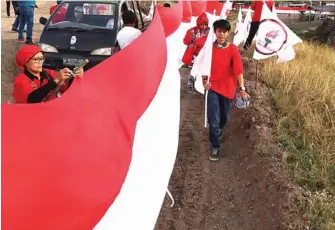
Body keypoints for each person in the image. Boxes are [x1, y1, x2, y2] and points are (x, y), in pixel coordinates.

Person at [202, 19, 249, 162]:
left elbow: (238, 71)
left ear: (228, 33)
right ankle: (215, 146)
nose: (221, 34)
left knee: (224, 118)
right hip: (213, 88)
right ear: (215, 32)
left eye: (224, 31)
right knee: (213, 120)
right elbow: (203, 66)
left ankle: (218, 131)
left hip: (228, 90)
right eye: (219, 31)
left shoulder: (233, 49)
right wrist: (204, 81)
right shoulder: (209, 48)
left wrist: (242, 89)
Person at [12, 45, 84, 104]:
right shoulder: (21, 80)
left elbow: (65, 86)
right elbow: (31, 99)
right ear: (26, 62)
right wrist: (55, 81)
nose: (40, 62)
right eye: (36, 59)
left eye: (42, 58)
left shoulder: (47, 73)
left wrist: (73, 76)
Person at [182, 13, 209, 92]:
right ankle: (191, 85)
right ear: (198, 23)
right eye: (202, 24)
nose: (204, 26)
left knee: (204, 71)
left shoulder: (210, 32)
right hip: (193, 55)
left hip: (204, 55)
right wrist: (190, 38)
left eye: (205, 24)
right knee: (192, 70)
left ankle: (203, 86)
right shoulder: (191, 31)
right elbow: (185, 41)